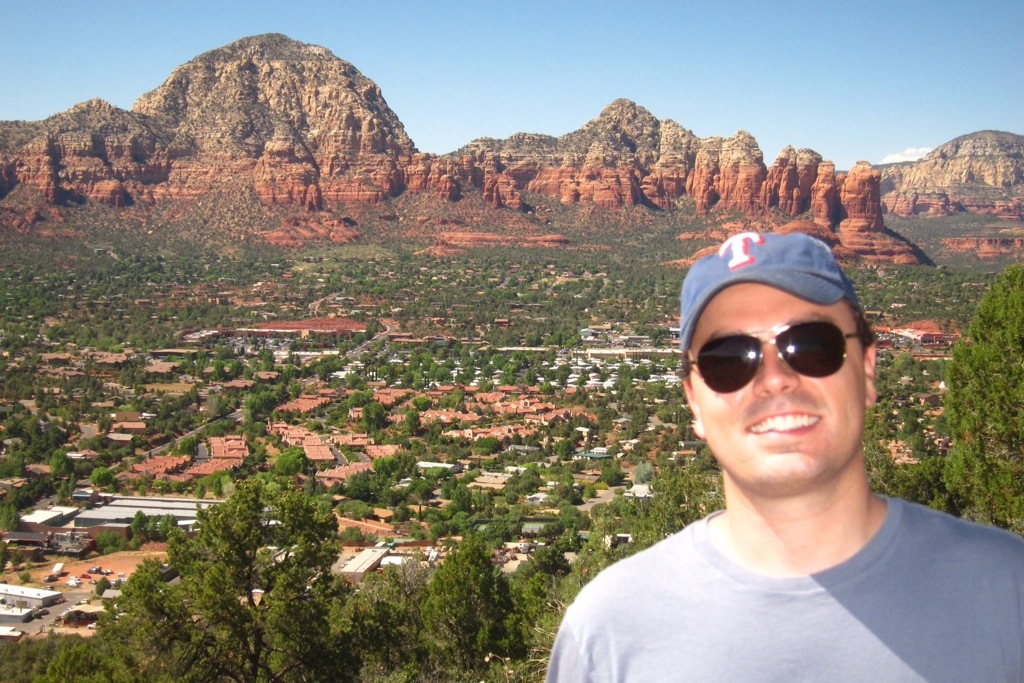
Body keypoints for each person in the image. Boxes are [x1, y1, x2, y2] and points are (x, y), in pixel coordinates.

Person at [546, 231, 1024, 682]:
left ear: (868, 369)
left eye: (811, 346)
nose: (774, 379)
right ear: (693, 400)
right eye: (728, 359)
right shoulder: (607, 632)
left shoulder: (1007, 593)